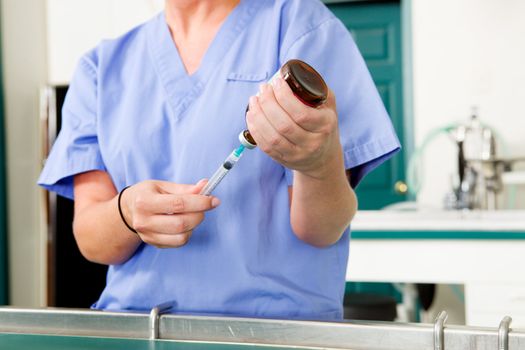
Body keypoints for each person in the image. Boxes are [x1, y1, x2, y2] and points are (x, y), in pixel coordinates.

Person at [38, 0, 400, 320]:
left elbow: (321, 231)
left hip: (276, 334)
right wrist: (127, 212)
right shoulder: (101, 68)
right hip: (139, 329)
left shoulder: (300, 28)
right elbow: (91, 239)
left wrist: (318, 166)